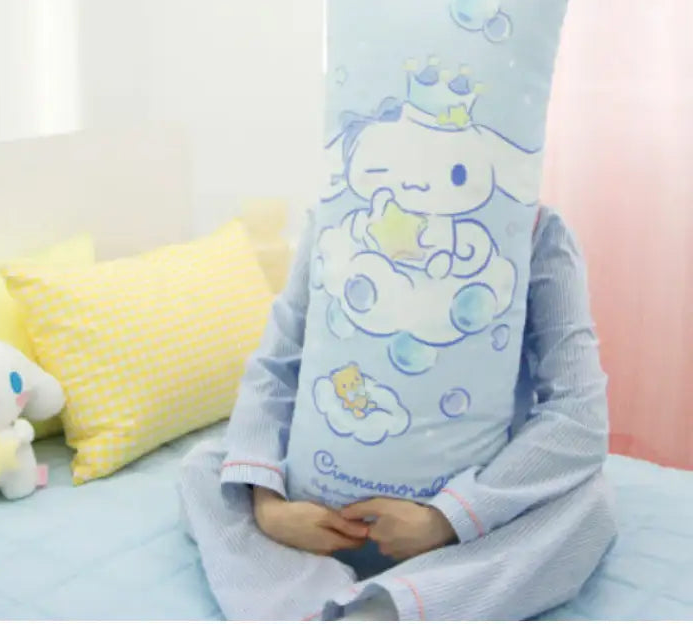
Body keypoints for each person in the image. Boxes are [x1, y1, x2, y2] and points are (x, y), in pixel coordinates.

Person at [179, 205, 617, 621]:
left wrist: (447, 518)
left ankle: (383, 610)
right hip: (312, 521)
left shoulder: (539, 231)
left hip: (461, 535)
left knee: (591, 504)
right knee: (204, 468)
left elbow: (579, 413)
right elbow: (276, 366)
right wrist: (268, 505)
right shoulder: (332, 213)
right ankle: (308, 601)